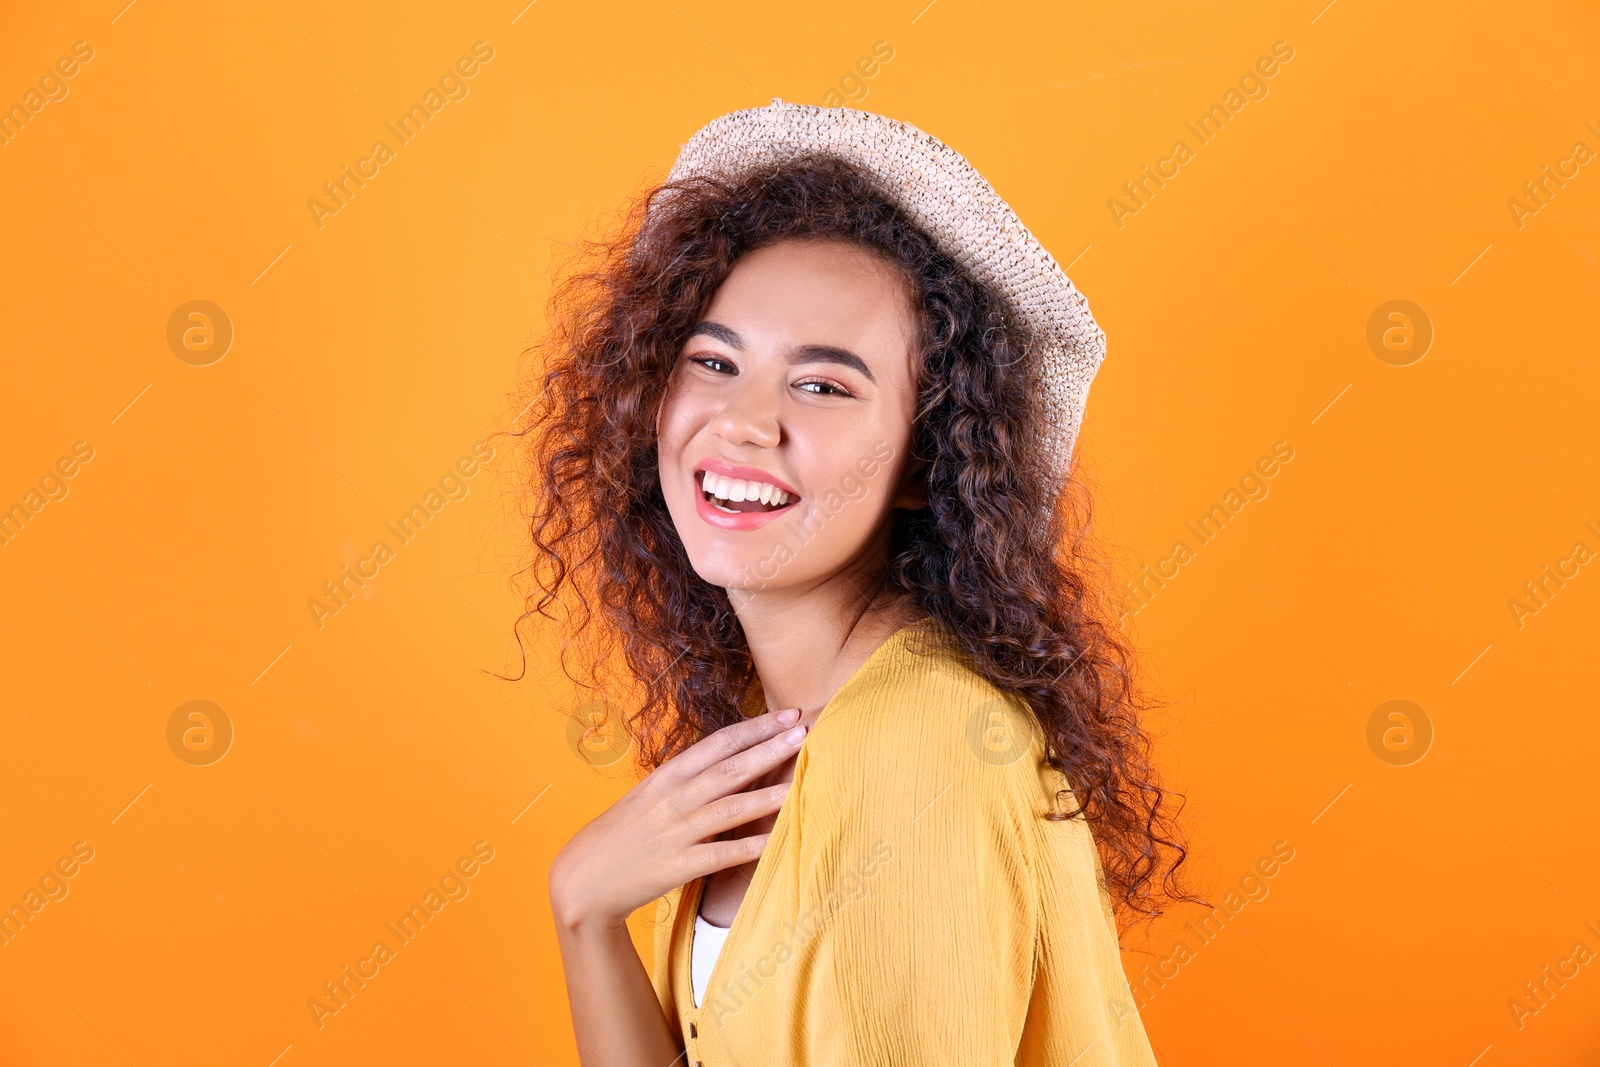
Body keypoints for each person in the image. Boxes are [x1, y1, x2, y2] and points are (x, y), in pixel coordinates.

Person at [521, 99, 1196, 1065]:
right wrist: (584, 916)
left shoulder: (922, 749)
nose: (745, 422)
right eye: (714, 360)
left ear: (927, 460)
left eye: (823, 384)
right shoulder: (773, 719)